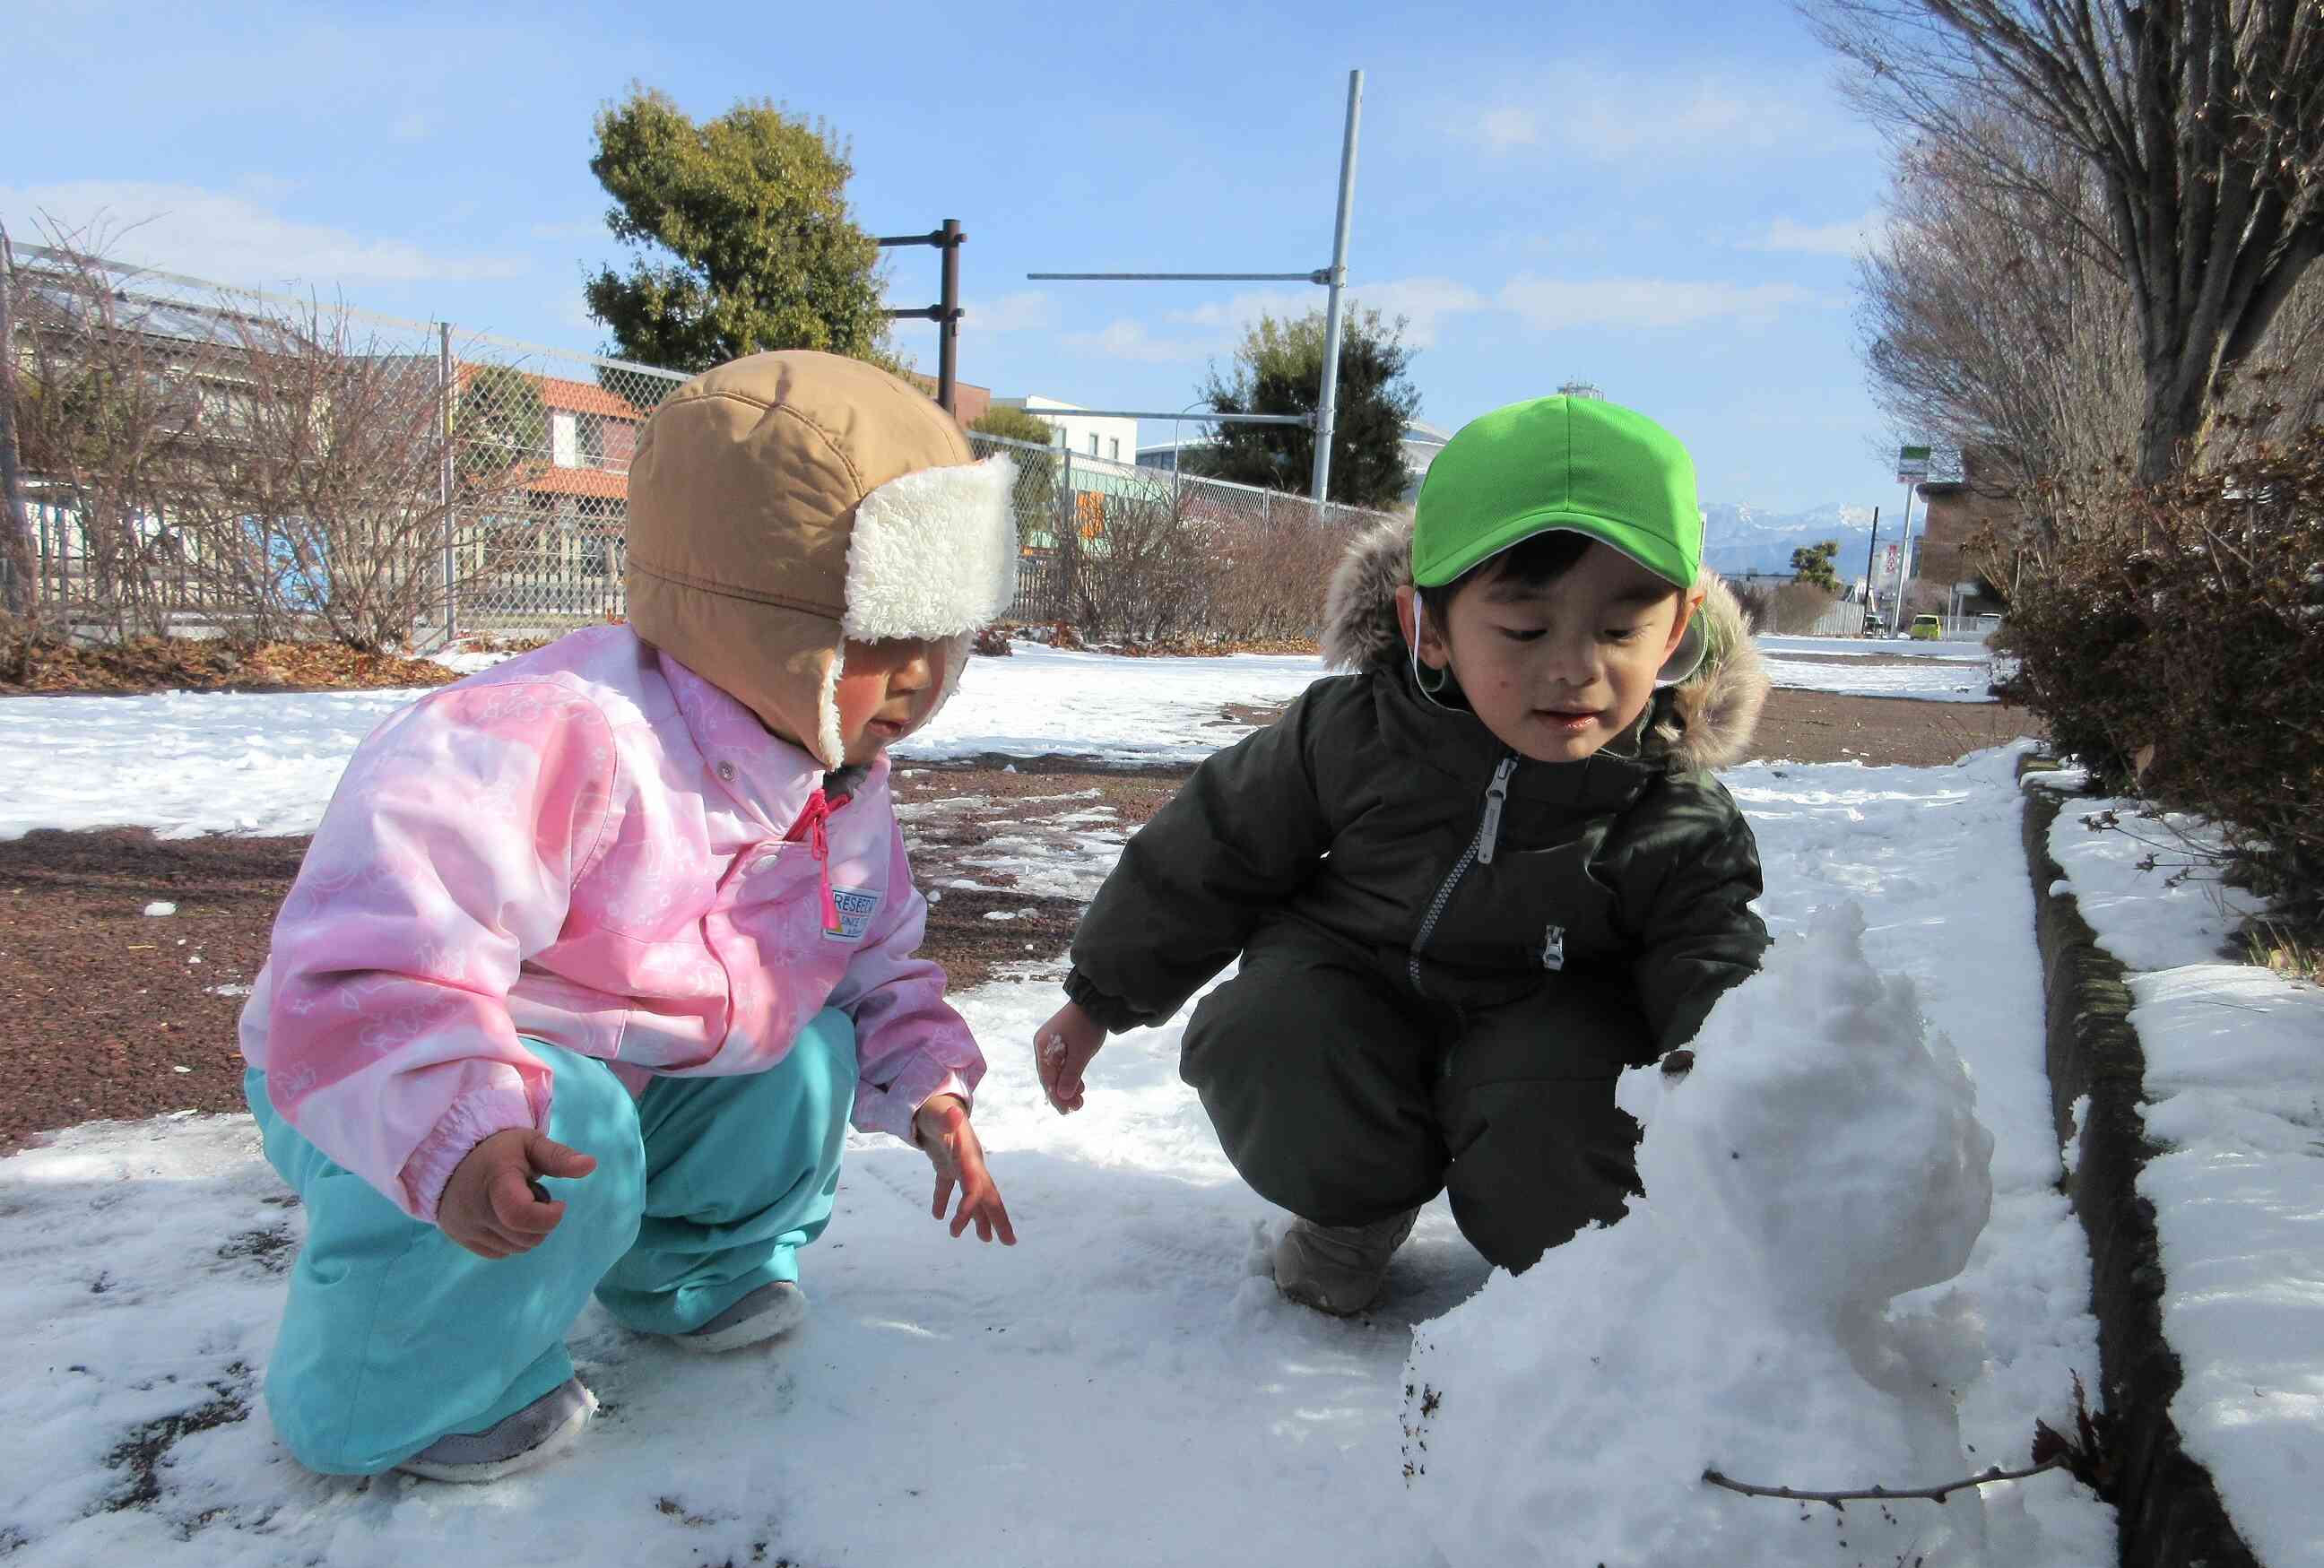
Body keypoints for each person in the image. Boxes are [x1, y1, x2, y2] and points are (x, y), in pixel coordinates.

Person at [240, 352, 1021, 1482]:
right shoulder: (558, 736)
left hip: (638, 1067)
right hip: (389, 1072)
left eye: (946, 639)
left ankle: (687, 1265)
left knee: (805, 1058)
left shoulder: (839, 785)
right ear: (751, 616)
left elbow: (873, 961)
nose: (919, 680)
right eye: (878, 635)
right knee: (576, 1121)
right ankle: (389, 1387)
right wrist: (456, 1128)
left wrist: (931, 1089)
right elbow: (378, 962)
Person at [1031, 394, 1771, 1315]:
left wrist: (1753, 1096)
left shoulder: (1670, 809)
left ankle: (1574, 1278)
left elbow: (1716, 963)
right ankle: (1353, 1212)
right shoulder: (1354, 734)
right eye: (1526, 629)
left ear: (1680, 624)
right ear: (1429, 624)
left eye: (1620, 630)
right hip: (1358, 998)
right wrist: (1100, 997)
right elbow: (1212, 846)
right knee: (1269, 1030)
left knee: (1572, 1111)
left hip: (1543, 1045)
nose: (1576, 665)